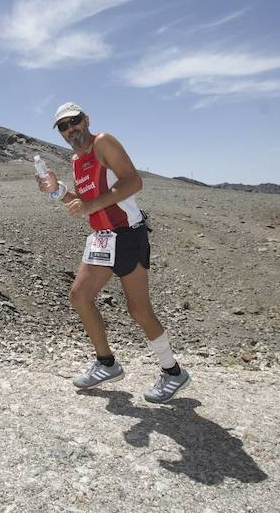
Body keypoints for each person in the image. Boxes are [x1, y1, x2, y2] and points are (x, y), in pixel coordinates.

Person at [37, 102, 190, 404]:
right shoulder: (77, 161)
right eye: (64, 127)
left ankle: (173, 372)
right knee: (79, 297)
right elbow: (80, 203)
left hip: (128, 235)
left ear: (87, 120)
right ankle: (107, 364)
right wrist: (57, 190)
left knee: (139, 310)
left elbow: (133, 181)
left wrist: (91, 206)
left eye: (75, 122)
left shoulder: (103, 142)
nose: (71, 130)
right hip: (102, 239)